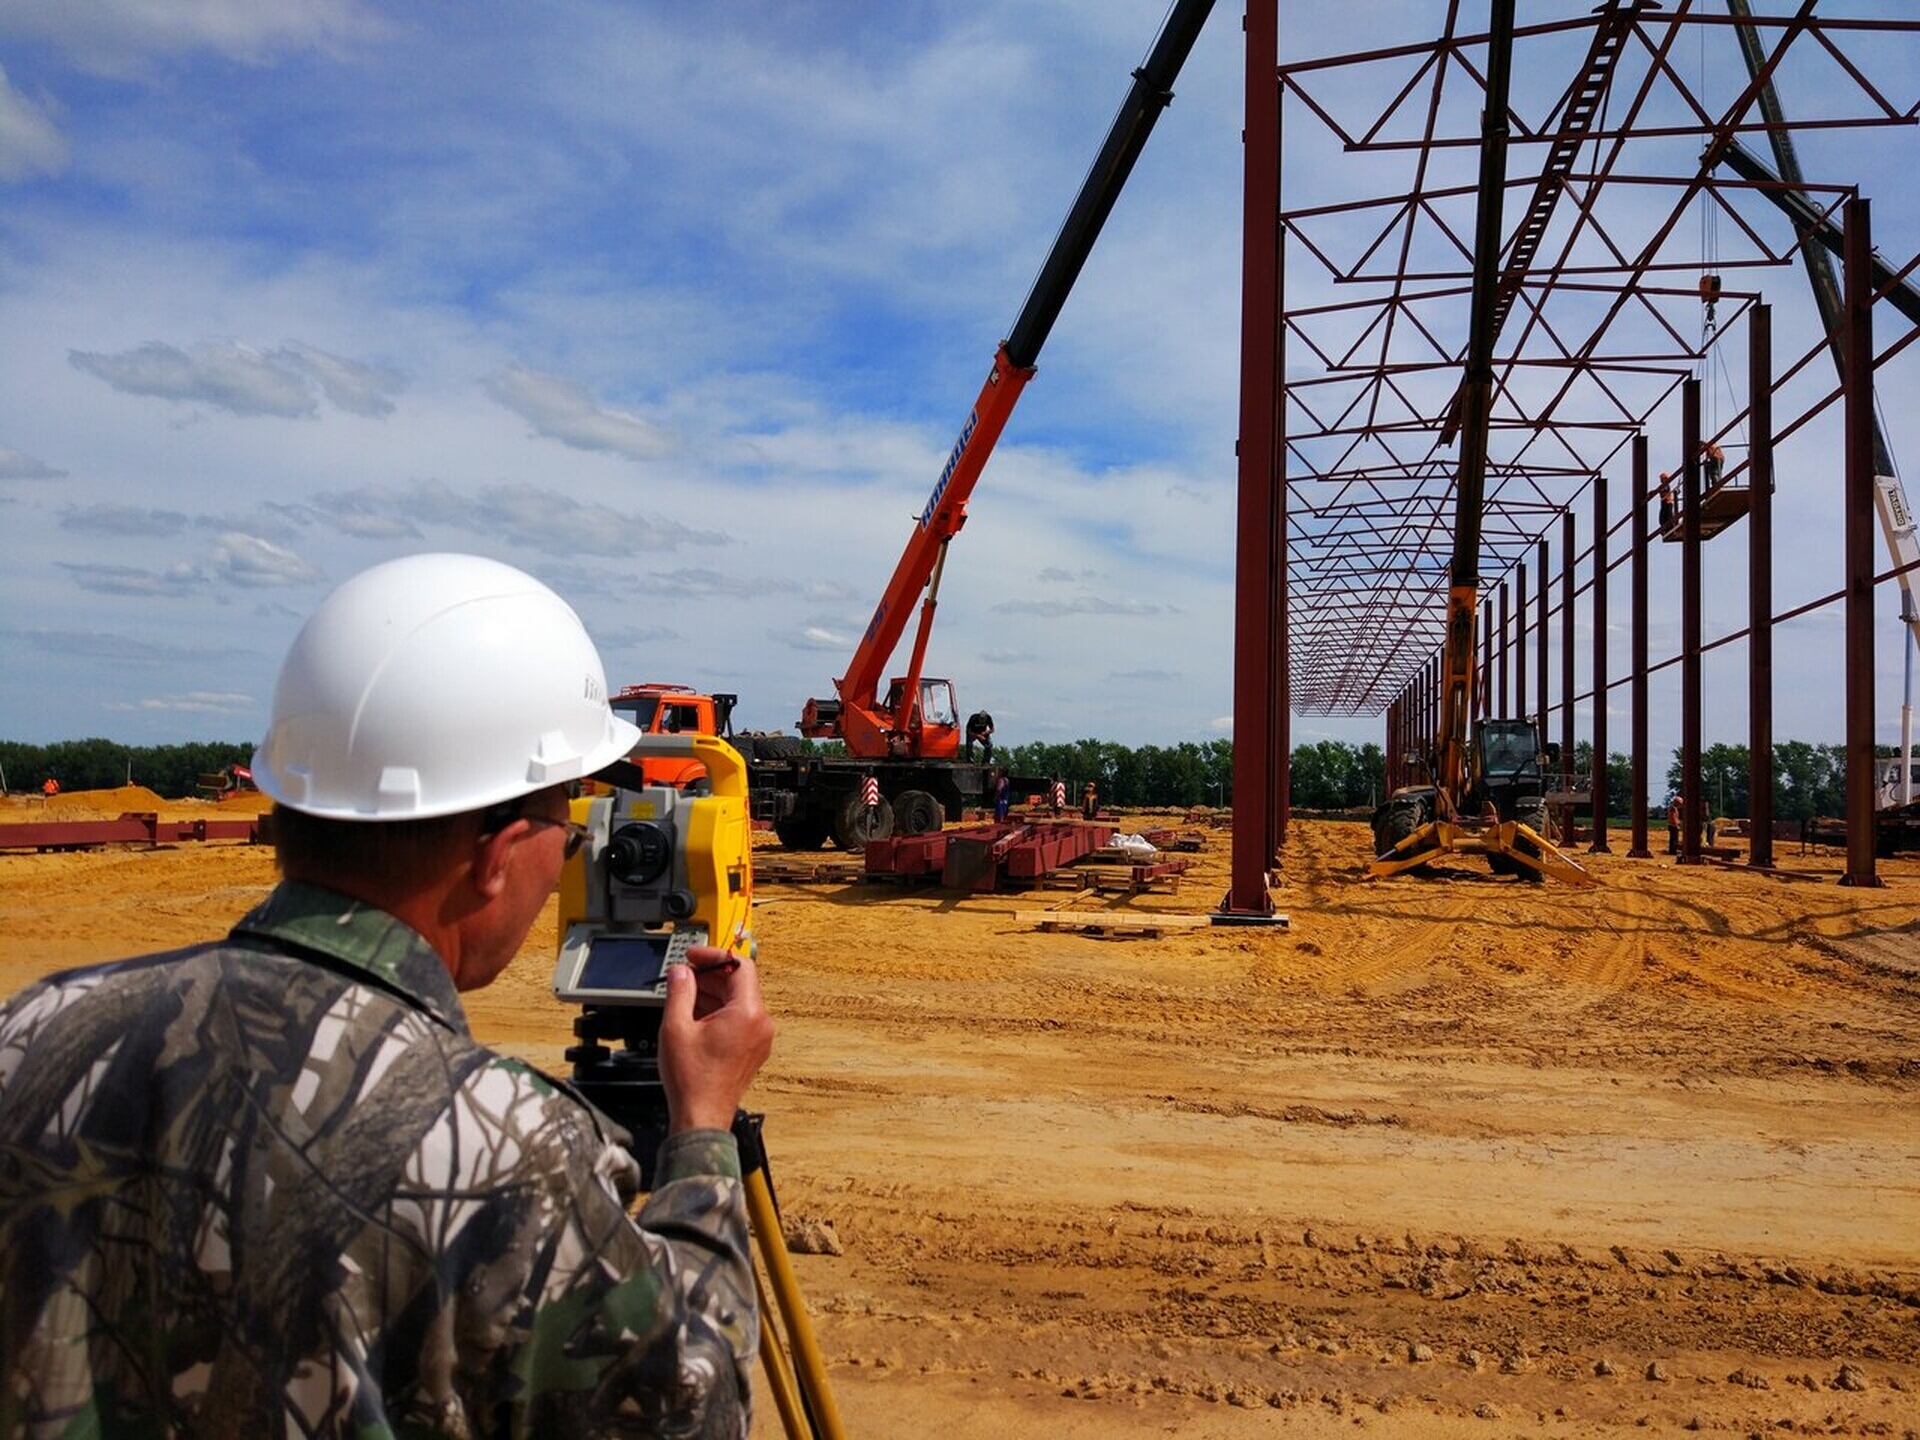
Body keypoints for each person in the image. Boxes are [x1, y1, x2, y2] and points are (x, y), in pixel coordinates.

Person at [0, 553, 775, 1439]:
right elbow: (690, 1410)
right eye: (566, 824)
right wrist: (704, 1134)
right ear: (495, 857)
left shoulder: (33, 1032)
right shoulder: (504, 1150)